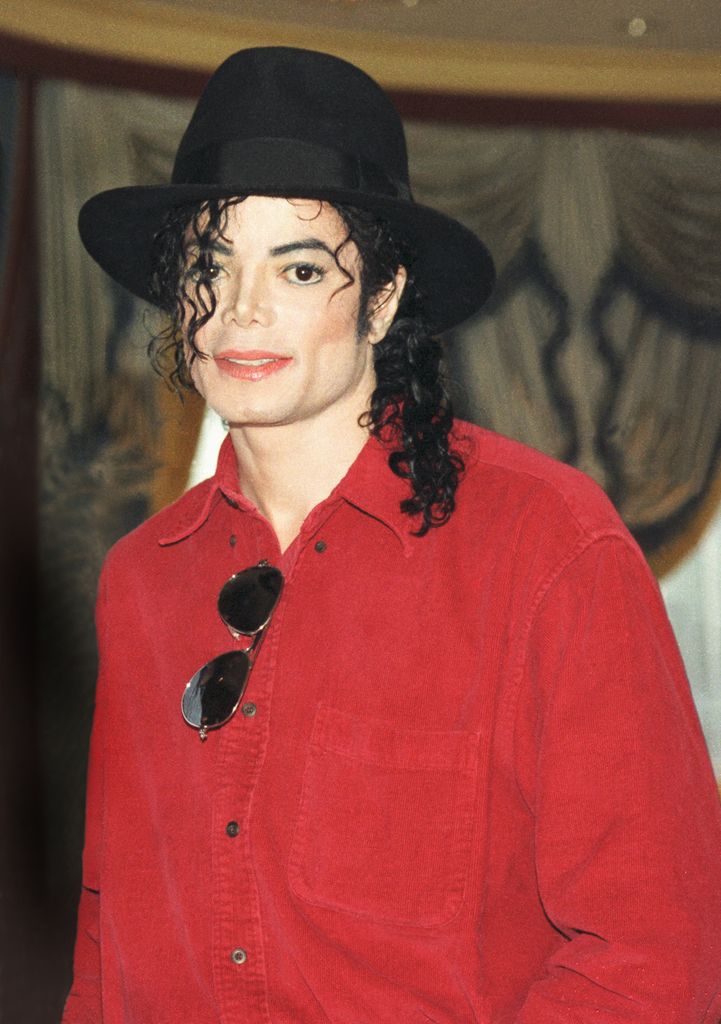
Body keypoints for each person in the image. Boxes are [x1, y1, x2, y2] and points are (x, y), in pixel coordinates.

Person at [63, 46, 721, 1024]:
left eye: (297, 265)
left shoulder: (547, 546)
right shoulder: (139, 579)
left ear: (382, 296)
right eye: (210, 261)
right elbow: (108, 944)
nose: (240, 309)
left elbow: (658, 956)